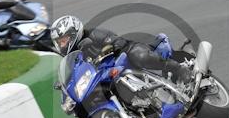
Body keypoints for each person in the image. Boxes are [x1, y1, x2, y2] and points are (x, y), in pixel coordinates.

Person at [49, 15, 192, 83]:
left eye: (64, 40)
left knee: (139, 55)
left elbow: (116, 41)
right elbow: (75, 74)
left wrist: (108, 48)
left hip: (124, 57)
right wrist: (65, 84)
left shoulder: (93, 34)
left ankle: (180, 69)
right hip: (107, 75)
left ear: (74, 32)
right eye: (59, 42)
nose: (62, 45)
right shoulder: (72, 58)